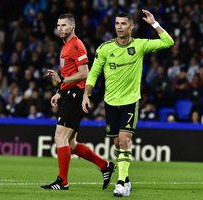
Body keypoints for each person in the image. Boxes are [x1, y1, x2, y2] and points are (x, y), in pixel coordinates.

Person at [82, 10, 174, 197]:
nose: (119, 27)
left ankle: (121, 182)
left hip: (130, 102)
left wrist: (154, 24)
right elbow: (93, 74)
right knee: (117, 142)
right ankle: (127, 180)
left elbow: (168, 42)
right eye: (117, 23)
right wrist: (86, 95)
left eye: (123, 23)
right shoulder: (105, 48)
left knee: (125, 140)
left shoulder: (140, 45)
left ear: (131, 26)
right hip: (110, 102)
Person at [41, 13, 115, 191]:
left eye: (64, 25)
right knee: (71, 143)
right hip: (69, 94)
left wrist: (61, 82)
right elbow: (69, 74)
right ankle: (105, 166)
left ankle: (62, 181)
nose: (60, 28)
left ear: (72, 27)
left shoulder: (76, 46)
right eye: (58, 25)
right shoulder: (66, 46)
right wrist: (60, 91)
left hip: (75, 96)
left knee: (60, 137)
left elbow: (84, 73)